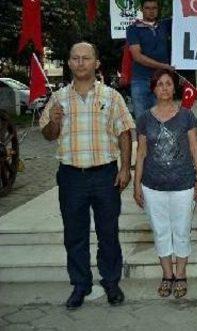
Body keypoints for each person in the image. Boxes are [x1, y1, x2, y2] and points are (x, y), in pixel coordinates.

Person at [39, 42, 134, 310]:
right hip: (71, 177)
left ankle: (112, 282)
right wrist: (55, 121)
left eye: (86, 58)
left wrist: (125, 168)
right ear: (69, 63)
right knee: (75, 234)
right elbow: (48, 135)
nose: (80, 63)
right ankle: (80, 285)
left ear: (96, 63)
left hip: (105, 175)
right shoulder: (58, 99)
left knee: (108, 232)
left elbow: (125, 132)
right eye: (75, 58)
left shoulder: (111, 96)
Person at [133, 69, 197, 298]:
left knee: (181, 230)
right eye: (160, 84)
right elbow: (141, 152)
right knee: (161, 231)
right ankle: (167, 275)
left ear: (175, 88)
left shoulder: (186, 116)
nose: (164, 88)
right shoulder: (144, 118)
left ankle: (181, 274)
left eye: (168, 84)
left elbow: (195, 149)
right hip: (152, 185)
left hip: (183, 184)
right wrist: (136, 185)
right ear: (153, 89)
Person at [126, 0, 173, 118]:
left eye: (154, 8)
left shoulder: (165, 25)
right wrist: (163, 66)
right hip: (140, 80)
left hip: (161, 81)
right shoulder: (133, 29)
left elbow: (183, 16)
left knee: (162, 118)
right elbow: (137, 57)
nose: (151, 11)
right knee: (142, 121)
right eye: (147, 8)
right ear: (141, 9)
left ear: (158, 9)